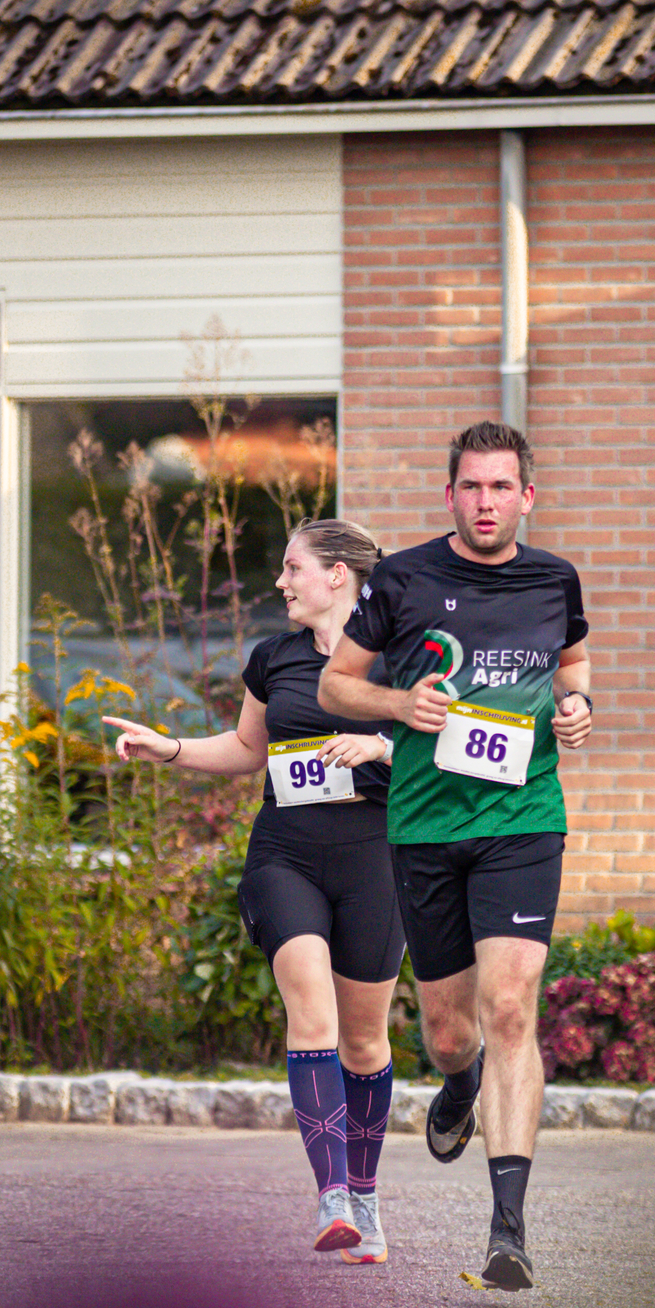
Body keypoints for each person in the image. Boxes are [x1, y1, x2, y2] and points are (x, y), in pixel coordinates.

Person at [320, 421, 590, 1294]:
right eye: (471, 487)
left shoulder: (555, 580)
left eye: (501, 487)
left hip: (523, 818)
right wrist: (399, 703)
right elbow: (336, 686)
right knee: (449, 1028)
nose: (486, 502)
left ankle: (508, 1231)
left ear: (526, 496)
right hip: (426, 826)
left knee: (510, 1005)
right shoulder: (402, 578)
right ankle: (460, 1083)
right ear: (451, 496)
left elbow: (572, 665)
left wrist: (578, 706)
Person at [107, 519, 403, 1262]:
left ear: (338, 575)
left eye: (292, 567)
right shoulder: (273, 658)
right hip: (287, 855)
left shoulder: (398, 661)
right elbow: (246, 749)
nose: (281, 582)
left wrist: (382, 744)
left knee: (365, 1040)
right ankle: (330, 1195)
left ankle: (364, 1196)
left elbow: (444, 751)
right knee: (310, 1006)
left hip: (376, 855)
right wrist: (166, 746)